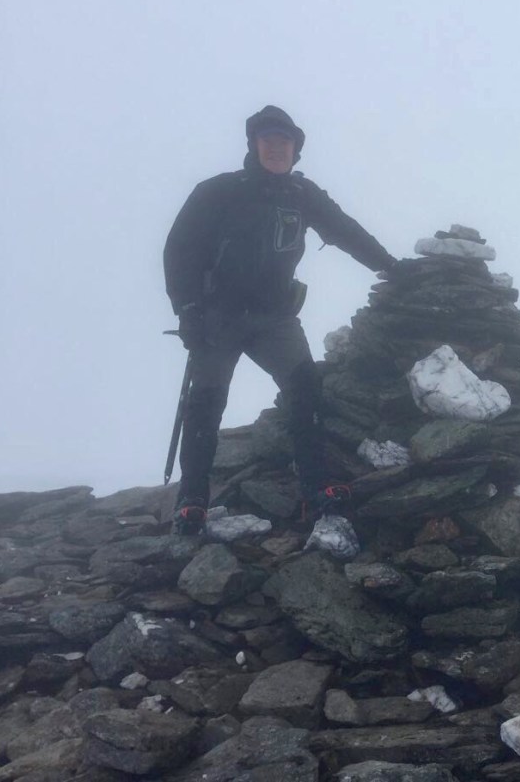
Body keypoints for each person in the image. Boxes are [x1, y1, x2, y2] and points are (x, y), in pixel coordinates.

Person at [163, 105, 398, 535]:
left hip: (275, 318)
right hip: (219, 316)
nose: (276, 147)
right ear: (253, 145)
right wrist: (188, 308)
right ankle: (192, 500)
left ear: (296, 150)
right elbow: (180, 249)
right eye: (267, 140)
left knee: (306, 390)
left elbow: (345, 231)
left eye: (284, 141)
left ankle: (317, 487)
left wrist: (390, 267)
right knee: (206, 403)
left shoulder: (302, 195)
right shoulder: (219, 191)